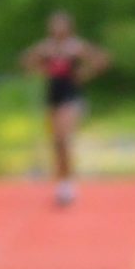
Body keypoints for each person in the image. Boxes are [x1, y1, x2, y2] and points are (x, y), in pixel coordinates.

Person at [20, 11, 110, 206]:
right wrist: (42, 70)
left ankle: (68, 183)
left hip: (71, 96)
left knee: (64, 139)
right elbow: (26, 60)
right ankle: (61, 182)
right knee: (56, 142)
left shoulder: (76, 47)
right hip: (53, 96)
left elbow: (101, 59)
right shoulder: (46, 48)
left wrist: (84, 74)